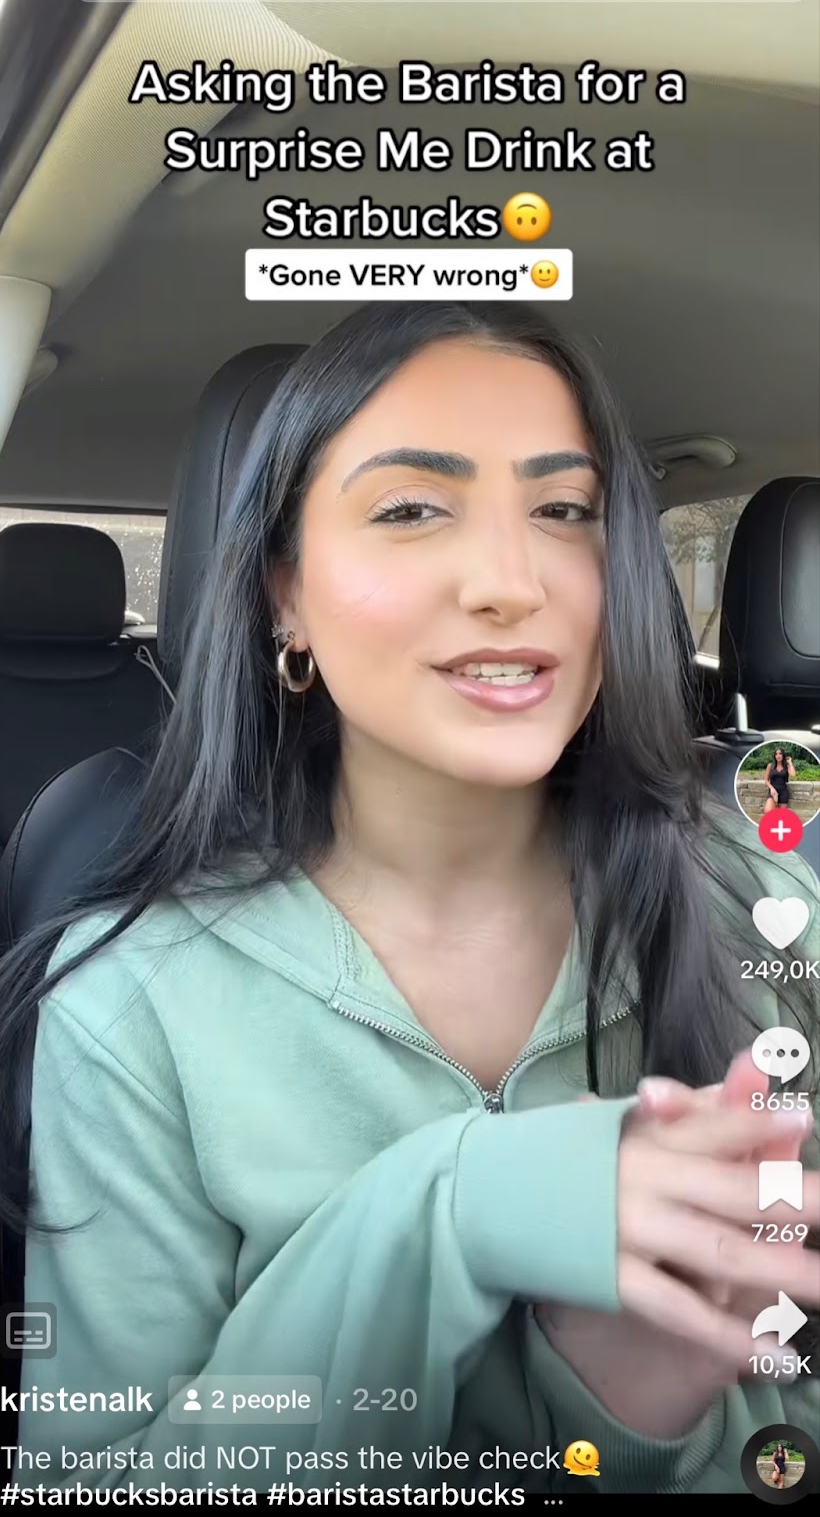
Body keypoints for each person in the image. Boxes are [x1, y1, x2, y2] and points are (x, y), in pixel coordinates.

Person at [1, 304, 818, 1499]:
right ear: (285, 595)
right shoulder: (131, 1006)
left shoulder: (766, 899)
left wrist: (636, 1414)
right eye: (411, 509)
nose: (510, 582)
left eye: (564, 510)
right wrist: (453, 1212)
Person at [763, 747, 797, 813]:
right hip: (773, 791)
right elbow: (766, 780)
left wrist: (790, 762)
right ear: (774, 756)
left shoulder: (786, 766)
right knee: (768, 811)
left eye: (780, 754)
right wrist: (771, 788)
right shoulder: (770, 766)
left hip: (783, 792)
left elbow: (793, 774)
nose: (778, 756)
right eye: (776, 754)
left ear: (783, 755)